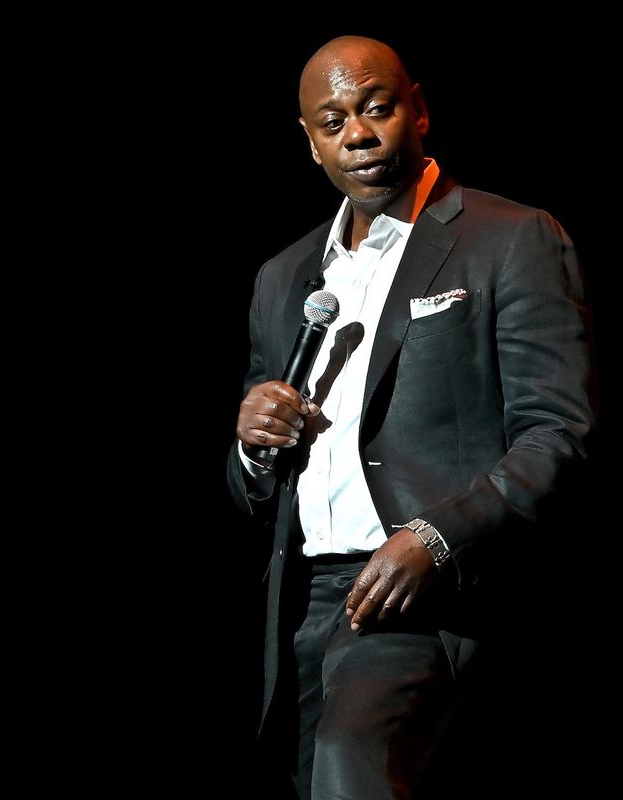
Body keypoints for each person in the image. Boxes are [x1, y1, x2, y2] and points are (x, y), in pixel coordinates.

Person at [228, 35, 595, 799]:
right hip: (304, 600)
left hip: (426, 591)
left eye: (376, 109)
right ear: (310, 141)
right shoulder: (284, 278)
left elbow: (558, 435)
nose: (357, 135)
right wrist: (253, 447)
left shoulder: (507, 238)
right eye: (333, 122)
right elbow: (250, 488)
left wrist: (435, 539)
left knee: (349, 764)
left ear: (417, 110)